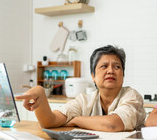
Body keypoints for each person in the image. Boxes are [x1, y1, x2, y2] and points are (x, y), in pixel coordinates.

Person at [16, 45, 146, 132]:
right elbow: (50, 121)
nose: (111, 71)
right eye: (104, 66)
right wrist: (40, 93)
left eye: (117, 67)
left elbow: (113, 124)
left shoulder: (131, 96)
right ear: (93, 76)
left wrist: (77, 120)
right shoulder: (84, 100)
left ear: (123, 75)